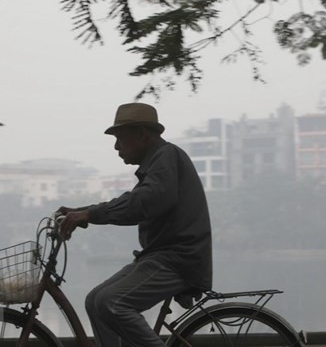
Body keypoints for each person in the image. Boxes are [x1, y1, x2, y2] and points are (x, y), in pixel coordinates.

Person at [57, 102, 212, 347]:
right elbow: (133, 201)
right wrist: (81, 212)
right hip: (157, 257)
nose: (117, 146)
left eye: (120, 138)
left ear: (141, 134)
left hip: (178, 260)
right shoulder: (156, 164)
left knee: (111, 302)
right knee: (95, 301)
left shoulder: (166, 157)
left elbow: (144, 203)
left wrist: (91, 215)